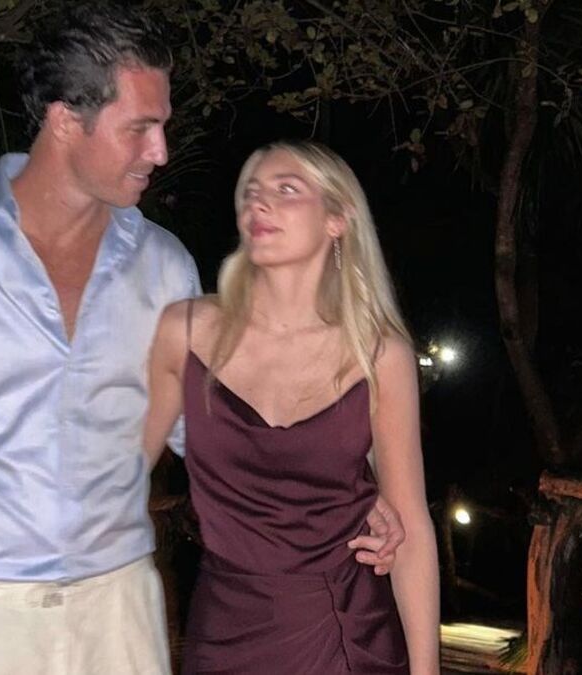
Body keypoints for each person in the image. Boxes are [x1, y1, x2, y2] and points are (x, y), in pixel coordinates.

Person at [0, 4, 402, 674]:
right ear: (65, 120)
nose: (161, 151)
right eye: (140, 128)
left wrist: (348, 493)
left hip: (118, 618)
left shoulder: (164, 267)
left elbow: (210, 431)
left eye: (163, 127)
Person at [142, 140, 441, 674]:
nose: (259, 203)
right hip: (223, 632)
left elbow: (412, 528)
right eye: (251, 192)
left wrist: (427, 671)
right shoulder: (184, 331)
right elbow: (113, 475)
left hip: (346, 634)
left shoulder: (379, 354)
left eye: (286, 189)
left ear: (337, 219)